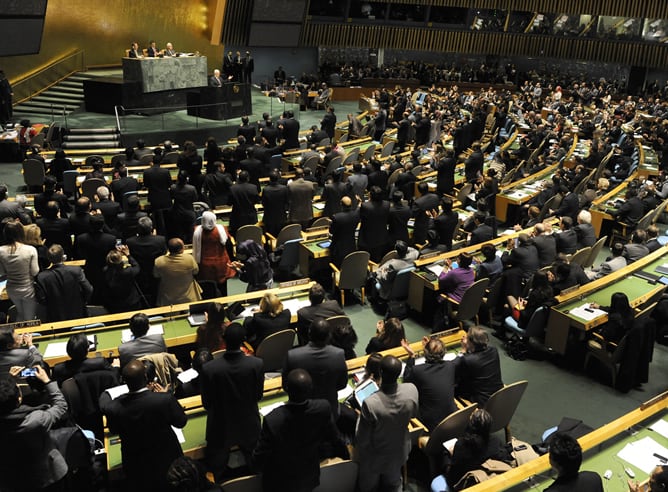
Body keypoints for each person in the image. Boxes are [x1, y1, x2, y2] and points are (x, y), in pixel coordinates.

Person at [253, 369, 348, 492]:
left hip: (280, 481)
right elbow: (334, 437)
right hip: (308, 475)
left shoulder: (273, 419)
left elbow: (259, 458)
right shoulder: (323, 407)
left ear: (286, 389)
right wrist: (346, 454)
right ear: (310, 389)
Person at [99, 359, 187, 492]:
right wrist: (165, 397)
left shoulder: (115, 407)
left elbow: (113, 428)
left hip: (136, 466)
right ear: (146, 377)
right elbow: (181, 422)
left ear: (124, 380)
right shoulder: (164, 399)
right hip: (168, 461)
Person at [200, 323, 264, 482]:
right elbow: (258, 396)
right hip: (249, 424)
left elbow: (206, 403)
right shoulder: (256, 364)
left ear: (224, 340)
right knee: (258, 467)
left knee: (215, 472)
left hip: (220, 427)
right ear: (243, 341)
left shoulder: (209, 369)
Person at [355, 355, 419, 492]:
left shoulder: (369, 403)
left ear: (381, 373)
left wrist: (360, 416)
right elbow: (413, 415)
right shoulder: (411, 390)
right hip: (399, 450)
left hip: (375, 457)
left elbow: (362, 438)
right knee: (394, 483)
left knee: (368, 487)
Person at [0, 366, 69, 491]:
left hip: (13, 480)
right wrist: (47, 381)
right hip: (48, 475)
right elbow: (60, 405)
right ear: (19, 398)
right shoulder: (36, 419)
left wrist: (9, 380)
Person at [432, 408, 512, 491]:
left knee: (445, 453)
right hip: (484, 477)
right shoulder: (495, 441)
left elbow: (454, 472)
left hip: (460, 483)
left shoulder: (462, 445)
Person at [283, 319, 348, 420]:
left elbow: (286, 386)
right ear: (329, 336)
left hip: (302, 413)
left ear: (309, 334)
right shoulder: (339, 354)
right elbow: (342, 384)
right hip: (329, 411)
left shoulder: (292, 356)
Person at [401, 336, 457, 431]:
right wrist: (429, 346)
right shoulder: (451, 366)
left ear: (425, 353)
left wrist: (411, 356)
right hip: (453, 419)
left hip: (431, 424)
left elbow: (406, 381)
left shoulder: (418, 370)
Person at [34, 243, 92, 322]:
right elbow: (89, 289)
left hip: (55, 316)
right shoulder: (76, 270)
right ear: (63, 257)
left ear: (48, 258)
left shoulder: (42, 277)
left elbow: (41, 299)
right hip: (78, 313)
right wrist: (82, 301)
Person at [0, 220, 39, 321]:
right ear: (21, 232)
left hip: (11, 289)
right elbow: (35, 272)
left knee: (21, 313)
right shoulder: (30, 250)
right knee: (29, 318)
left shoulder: (0, 251)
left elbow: (2, 272)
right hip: (28, 289)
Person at [453, 326, 503, 405]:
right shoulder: (494, 350)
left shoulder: (467, 360)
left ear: (472, 343)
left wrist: (462, 351)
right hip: (498, 395)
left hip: (481, 400)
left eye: (467, 336)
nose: (464, 336)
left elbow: (452, 368)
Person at [51, 332, 118, 386]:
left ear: (68, 351)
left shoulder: (58, 369)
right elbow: (114, 377)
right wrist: (116, 367)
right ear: (88, 349)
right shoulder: (100, 362)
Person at [192, 211, 234, 297]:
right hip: (221, 262)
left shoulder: (197, 231)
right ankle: (223, 305)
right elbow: (227, 243)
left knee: (207, 288)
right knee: (222, 287)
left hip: (204, 264)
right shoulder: (222, 229)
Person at [154, 238, 202, 306]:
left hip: (168, 298)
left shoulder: (159, 261)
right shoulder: (189, 259)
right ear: (181, 249)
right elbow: (195, 272)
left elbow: (156, 275)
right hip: (188, 297)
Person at [329, 196, 360, 266]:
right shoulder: (356, 215)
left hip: (338, 249)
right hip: (352, 246)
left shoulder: (336, 217)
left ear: (341, 204)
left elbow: (331, 231)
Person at [169, 170, 198, 243]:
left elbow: (171, 197)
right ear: (187, 179)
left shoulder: (173, 187)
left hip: (177, 212)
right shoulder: (192, 188)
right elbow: (195, 199)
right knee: (191, 233)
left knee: (179, 233)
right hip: (189, 212)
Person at [228, 170, 260, 235]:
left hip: (237, 218)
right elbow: (257, 201)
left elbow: (229, 203)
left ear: (238, 178)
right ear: (248, 178)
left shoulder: (232, 188)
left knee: (237, 236)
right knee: (251, 235)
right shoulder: (253, 187)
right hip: (251, 218)